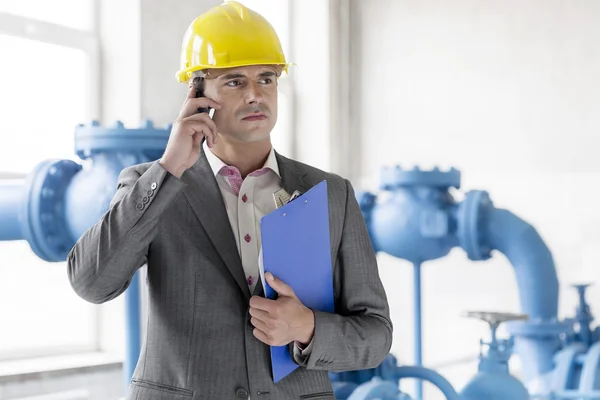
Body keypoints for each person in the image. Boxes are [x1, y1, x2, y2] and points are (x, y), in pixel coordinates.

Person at [67, 2, 392, 399]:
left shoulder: (329, 193)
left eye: (267, 79)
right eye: (235, 82)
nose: (256, 95)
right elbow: (91, 283)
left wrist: (306, 327)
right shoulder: (152, 186)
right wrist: (169, 168)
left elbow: (375, 334)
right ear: (198, 95)